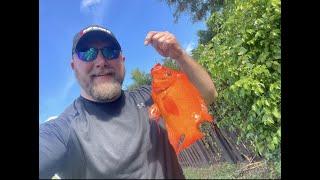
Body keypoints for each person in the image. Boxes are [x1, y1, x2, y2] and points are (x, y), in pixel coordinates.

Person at [39, 24, 218, 179]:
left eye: (110, 51)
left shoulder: (150, 96)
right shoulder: (63, 130)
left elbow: (208, 94)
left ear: (122, 61)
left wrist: (180, 55)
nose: (101, 61)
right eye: (88, 53)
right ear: (73, 66)